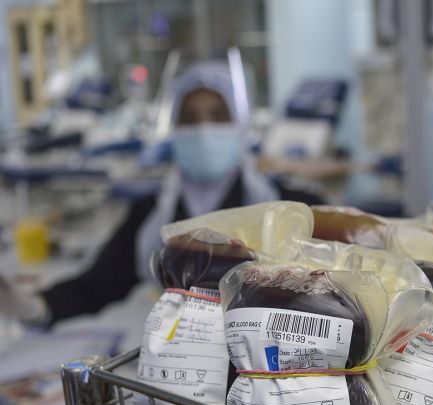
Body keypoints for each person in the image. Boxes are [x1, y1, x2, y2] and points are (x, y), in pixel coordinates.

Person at [0, 61, 324, 327]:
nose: (203, 129)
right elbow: (99, 283)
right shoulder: (150, 213)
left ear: (240, 125)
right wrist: (35, 307)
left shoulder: (289, 207)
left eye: (217, 116)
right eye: (189, 118)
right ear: (174, 131)